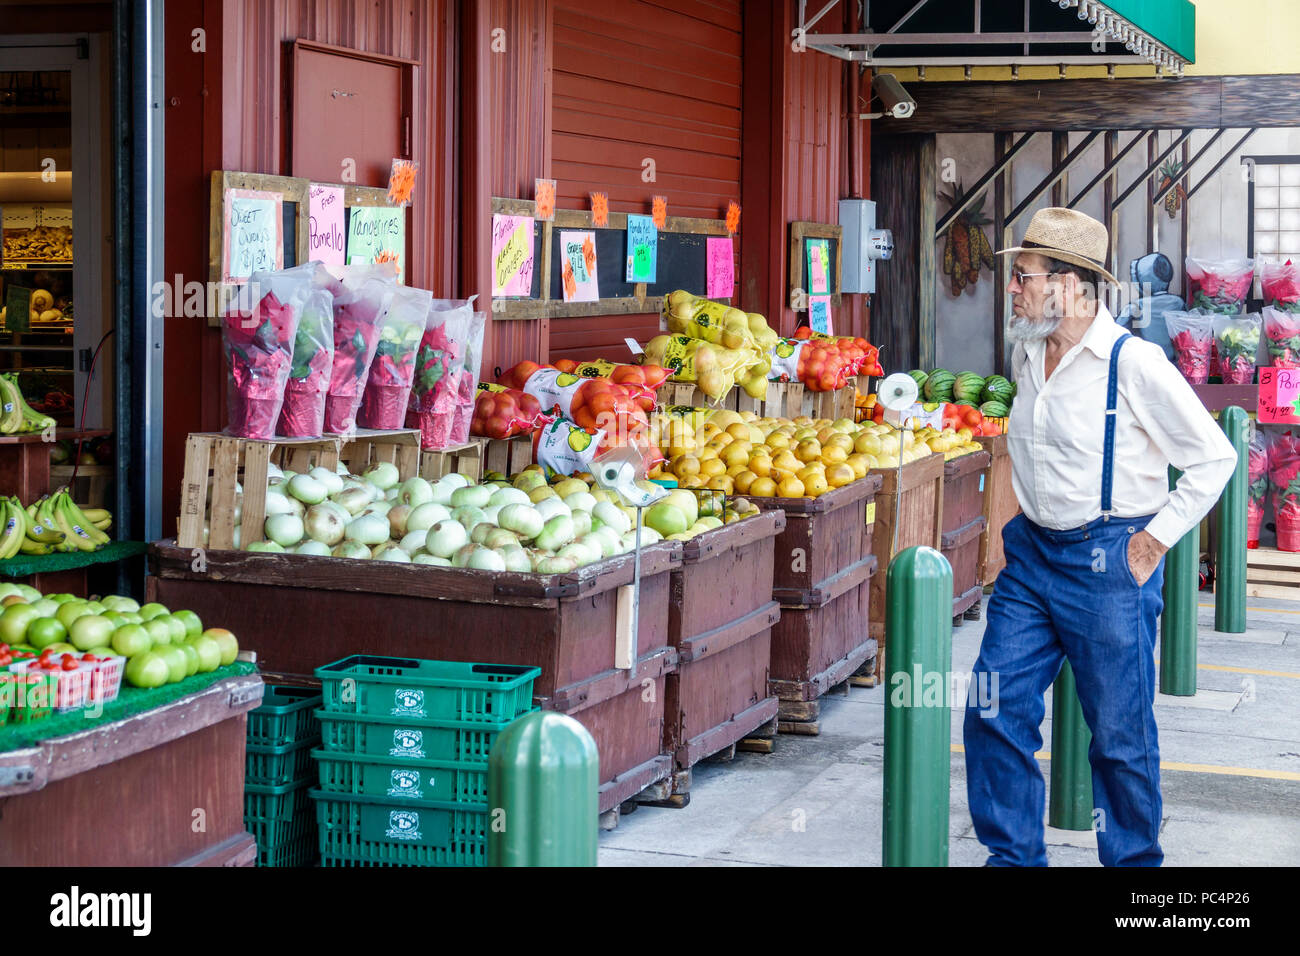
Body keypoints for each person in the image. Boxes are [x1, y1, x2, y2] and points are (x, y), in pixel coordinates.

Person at [964, 207, 1238, 867]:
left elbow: (1214, 458)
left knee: (1119, 735)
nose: (1013, 288)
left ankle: (1136, 869)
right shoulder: (1031, 349)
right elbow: (1021, 450)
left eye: (1023, 276)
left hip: (1109, 560)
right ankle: (1013, 860)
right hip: (1033, 558)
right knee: (992, 710)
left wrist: (1153, 542)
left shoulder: (1132, 362)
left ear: (1067, 285)